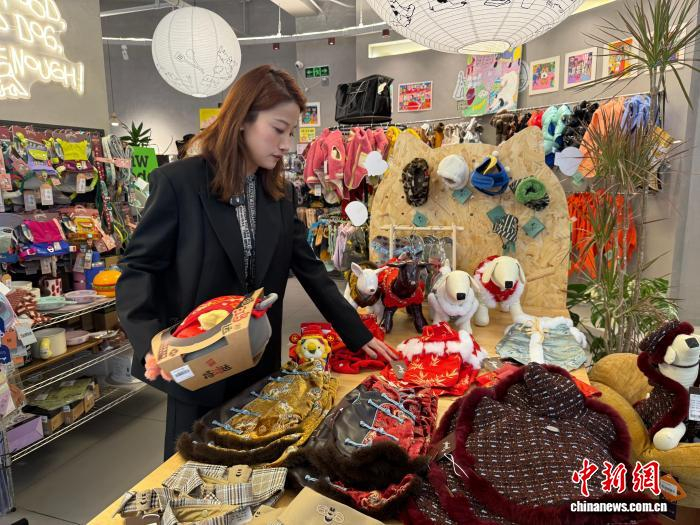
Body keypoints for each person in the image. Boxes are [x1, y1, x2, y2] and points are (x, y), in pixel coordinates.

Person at [116, 65, 397, 459]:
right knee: (190, 469)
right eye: (278, 129)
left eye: (291, 133)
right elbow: (138, 268)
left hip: (258, 362)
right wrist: (152, 341)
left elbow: (310, 269)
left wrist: (358, 334)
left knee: (255, 462)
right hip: (197, 362)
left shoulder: (279, 195)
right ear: (242, 119)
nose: (286, 144)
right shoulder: (180, 183)